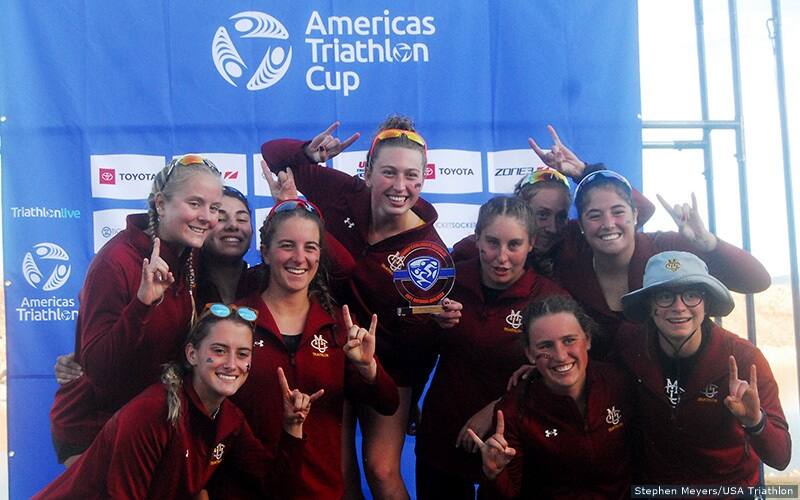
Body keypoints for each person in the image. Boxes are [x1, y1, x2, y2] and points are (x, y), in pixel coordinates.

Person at [261, 117, 451, 498]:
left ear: (424, 178)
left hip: (388, 366)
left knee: (381, 471)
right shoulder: (342, 192)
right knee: (340, 469)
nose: (400, 187)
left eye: (412, 175)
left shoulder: (429, 251)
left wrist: (401, 393)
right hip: (327, 351)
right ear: (367, 171)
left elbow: (421, 339)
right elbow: (272, 154)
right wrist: (307, 154)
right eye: (389, 173)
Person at [207, 198, 400, 499]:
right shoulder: (234, 320)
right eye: (287, 245)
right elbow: (204, 413)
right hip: (245, 489)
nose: (300, 257)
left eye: (310, 247)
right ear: (266, 253)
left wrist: (368, 368)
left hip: (319, 490)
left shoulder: (339, 325)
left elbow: (388, 403)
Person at [35, 303, 318, 499]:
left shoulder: (229, 418)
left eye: (243, 354)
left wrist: (293, 428)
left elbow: (277, 488)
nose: (232, 364)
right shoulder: (152, 412)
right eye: (219, 350)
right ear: (192, 354)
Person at [49, 154, 224, 465]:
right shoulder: (116, 261)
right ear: (160, 204)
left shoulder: (188, 255)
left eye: (214, 208)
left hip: (147, 421)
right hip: (95, 428)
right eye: (195, 203)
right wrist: (142, 304)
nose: (206, 217)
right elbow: (99, 367)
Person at [414, 196, 566, 499]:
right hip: (443, 436)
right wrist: (429, 321)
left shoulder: (550, 300)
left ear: (531, 243)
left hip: (512, 444)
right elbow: (415, 344)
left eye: (514, 245)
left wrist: (499, 406)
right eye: (492, 242)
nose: (502, 257)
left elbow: (562, 374)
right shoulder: (448, 280)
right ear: (477, 237)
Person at [616, 251, 790, 489]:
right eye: (665, 296)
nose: (679, 307)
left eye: (691, 295)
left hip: (729, 491)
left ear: (706, 303)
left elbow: (780, 458)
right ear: (649, 306)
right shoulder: (630, 351)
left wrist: (755, 421)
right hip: (658, 490)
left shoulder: (744, 360)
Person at [553, 169, 771, 358]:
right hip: (605, 394)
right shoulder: (571, 264)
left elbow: (757, 282)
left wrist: (709, 243)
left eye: (618, 212)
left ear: (636, 215)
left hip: (672, 386)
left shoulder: (667, 248)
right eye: (594, 216)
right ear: (580, 224)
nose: (608, 224)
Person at [470, 295, 633, 499]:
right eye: (545, 346)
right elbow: (506, 495)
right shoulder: (513, 412)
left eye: (569, 340)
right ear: (529, 354)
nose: (560, 355)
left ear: (588, 340)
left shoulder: (620, 383)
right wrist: (494, 474)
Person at [451, 125, 655, 277]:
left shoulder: (574, 240)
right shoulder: (481, 247)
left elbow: (643, 209)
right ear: (521, 209)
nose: (553, 228)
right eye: (542, 215)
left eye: (561, 217)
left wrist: (585, 172)